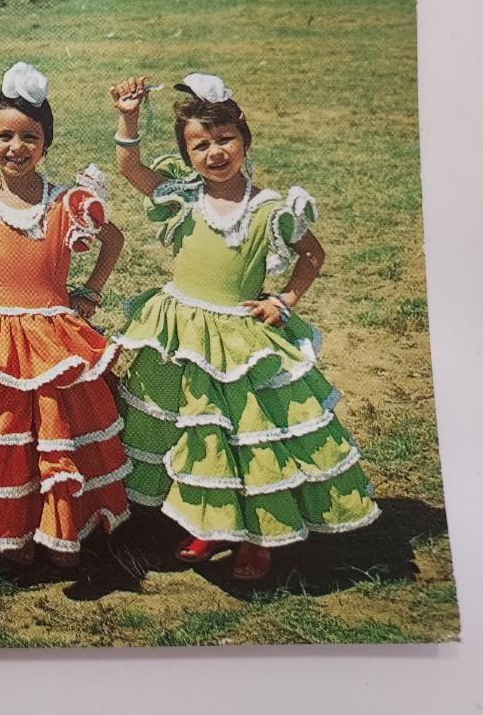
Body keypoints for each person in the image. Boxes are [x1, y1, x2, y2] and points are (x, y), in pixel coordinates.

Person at [110, 73, 380, 581]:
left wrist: (284, 298)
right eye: (200, 145)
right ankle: (211, 523)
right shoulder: (184, 197)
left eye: (225, 139)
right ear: (187, 154)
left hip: (237, 338)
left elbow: (312, 255)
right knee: (198, 432)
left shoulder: (269, 209)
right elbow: (128, 168)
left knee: (245, 437)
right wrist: (128, 116)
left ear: (245, 139)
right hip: (182, 332)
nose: (215, 153)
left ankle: (259, 537)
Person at [0, 62, 131, 568]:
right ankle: (10, 530)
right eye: (3, 136)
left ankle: (61, 529)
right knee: (7, 434)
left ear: (46, 142)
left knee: (57, 434)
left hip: (54, 330)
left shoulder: (66, 203)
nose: (16, 147)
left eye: (29, 137)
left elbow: (114, 239)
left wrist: (91, 290)